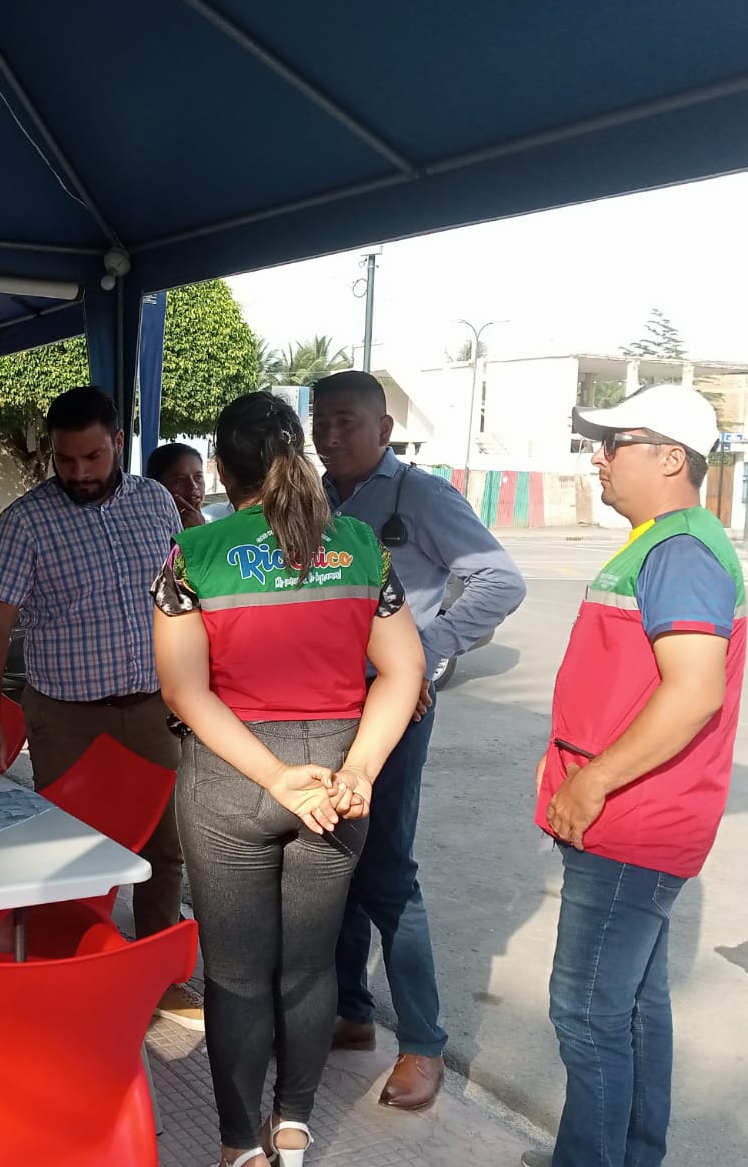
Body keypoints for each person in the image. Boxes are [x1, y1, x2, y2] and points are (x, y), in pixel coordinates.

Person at [154, 391, 425, 1167]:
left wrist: (275, 777)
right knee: (310, 965)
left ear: (223, 467)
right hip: (337, 782)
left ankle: (241, 1144)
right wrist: (359, 769)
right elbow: (404, 669)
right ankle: (296, 1125)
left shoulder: (194, 552)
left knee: (238, 977)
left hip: (234, 779)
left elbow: (184, 692)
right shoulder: (360, 545)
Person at [523, 385, 745, 1167]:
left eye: (615, 444)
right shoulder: (663, 542)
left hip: (632, 821)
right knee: (634, 1007)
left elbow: (693, 691)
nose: (599, 459)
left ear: (671, 457)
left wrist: (591, 782)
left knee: (586, 1013)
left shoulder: (680, 553)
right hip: (633, 815)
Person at [312, 370, 526, 1111]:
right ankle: (350, 1011)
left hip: (393, 706)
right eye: (320, 421)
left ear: (383, 429)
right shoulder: (314, 498)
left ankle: (423, 1043)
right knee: (331, 858)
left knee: (386, 872)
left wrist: (424, 650)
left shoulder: (422, 497)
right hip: (323, 707)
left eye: (345, 421)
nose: (329, 435)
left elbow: (500, 581)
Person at [0, 385, 201, 1025]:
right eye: (65, 460)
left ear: (118, 442)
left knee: (163, 848)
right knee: (70, 851)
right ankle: (73, 967)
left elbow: (179, 598)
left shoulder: (156, 503)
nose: (79, 473)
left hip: (152, 708)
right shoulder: (26, 521)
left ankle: (157, 973)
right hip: (66, 717)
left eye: (92, 457)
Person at [145, 440, 209, 528]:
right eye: (180, 480)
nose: (193, 486)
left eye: (198, 477)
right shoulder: (148, 527)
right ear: (156, 485)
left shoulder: (213, 527)